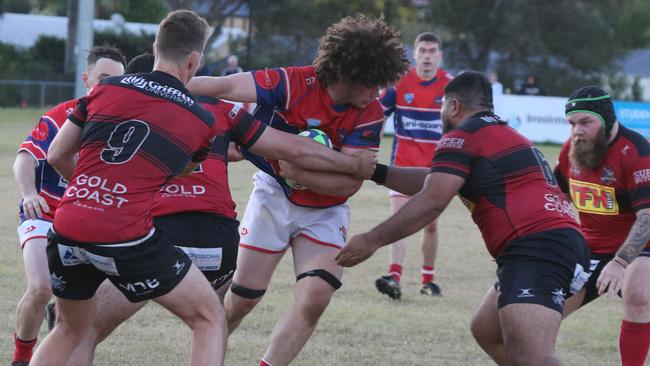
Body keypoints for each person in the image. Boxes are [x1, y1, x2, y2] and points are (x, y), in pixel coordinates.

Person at [63, 50, 376, 365]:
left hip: (143, 232)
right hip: (218, 239)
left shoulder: (120, 106)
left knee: (79, 329)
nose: (377, 92)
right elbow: (282, 143)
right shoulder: (227, 109)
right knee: (216, 316)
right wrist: (349, 165)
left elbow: (58, 156)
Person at [189, 14, 409, 366]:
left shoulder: (369, 113)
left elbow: (350, 184)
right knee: (243, 299)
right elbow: (224, 87)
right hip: (272, 195)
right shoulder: (293, 82)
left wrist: (300, 169)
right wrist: (166, 86)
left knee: (315, 298)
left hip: (326, 210)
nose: (377, 92)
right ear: (348, 72)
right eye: (372, 82)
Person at [336, 71, 591, 366]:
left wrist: (371, 240)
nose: (442, 113)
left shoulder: (462, 137)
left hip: (535, 249)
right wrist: (375, 173)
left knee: (532, 358)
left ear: (454, 105)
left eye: (443, 106)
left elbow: (433, 200)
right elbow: (435, 182)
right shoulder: (507, 135)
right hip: (557, 243)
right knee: (487, 331)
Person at [28, 10, 229, 366]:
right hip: (123, 233)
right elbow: (186, 169)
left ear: (155, 47)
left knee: (68, 329)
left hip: (69, 221)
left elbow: (58, 154)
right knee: (209, 318)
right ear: (195, 60)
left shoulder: (105, 88)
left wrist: (92, 193)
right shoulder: (201, 120)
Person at [470, 86, 650, 366]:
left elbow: (647, 218)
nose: (577, 131)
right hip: (590, 248)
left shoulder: (637, 151)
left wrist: (620, 262)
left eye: (586, 122)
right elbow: (555, 197)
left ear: (608, 121)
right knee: (535, 317)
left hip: (639, 248)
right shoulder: (571, 151)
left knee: (639, 294)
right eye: (572, 123)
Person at [10, 44, 126, 366]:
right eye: (103, 78)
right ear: (87, 79)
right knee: (41, 286)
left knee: (87, 305)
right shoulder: (61, 115)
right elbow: (24, 159)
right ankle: (21, 357)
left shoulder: (124, 128)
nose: (109, 86)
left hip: (89, 223)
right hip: (45, 212)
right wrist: (30, 193)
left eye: (117, 80)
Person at [375, 31, 453, 299]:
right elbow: (377, 116)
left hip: (435, 171)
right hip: (402, 166)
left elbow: (460, 126)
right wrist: (369, 147)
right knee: (400, 221)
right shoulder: (399, 83)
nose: (428, 56)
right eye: (423, 51)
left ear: (440, 56)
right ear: (415, 54)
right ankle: (394, 276)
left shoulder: (450, 86)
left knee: (430, 225)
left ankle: (428, 281)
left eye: (433, 51)